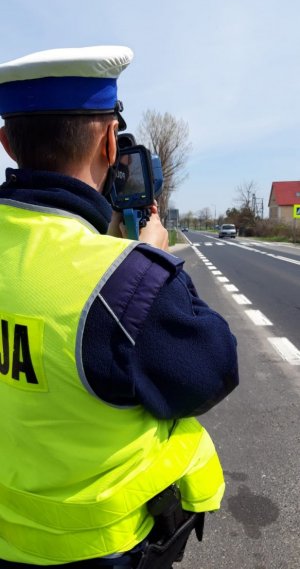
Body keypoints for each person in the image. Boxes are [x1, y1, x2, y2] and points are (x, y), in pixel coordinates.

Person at [0, 46, 239, 568]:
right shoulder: (126, 280)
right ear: (110, 143)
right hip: (105, 550)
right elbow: (213, 370)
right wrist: (149, 260)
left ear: (6, 143)